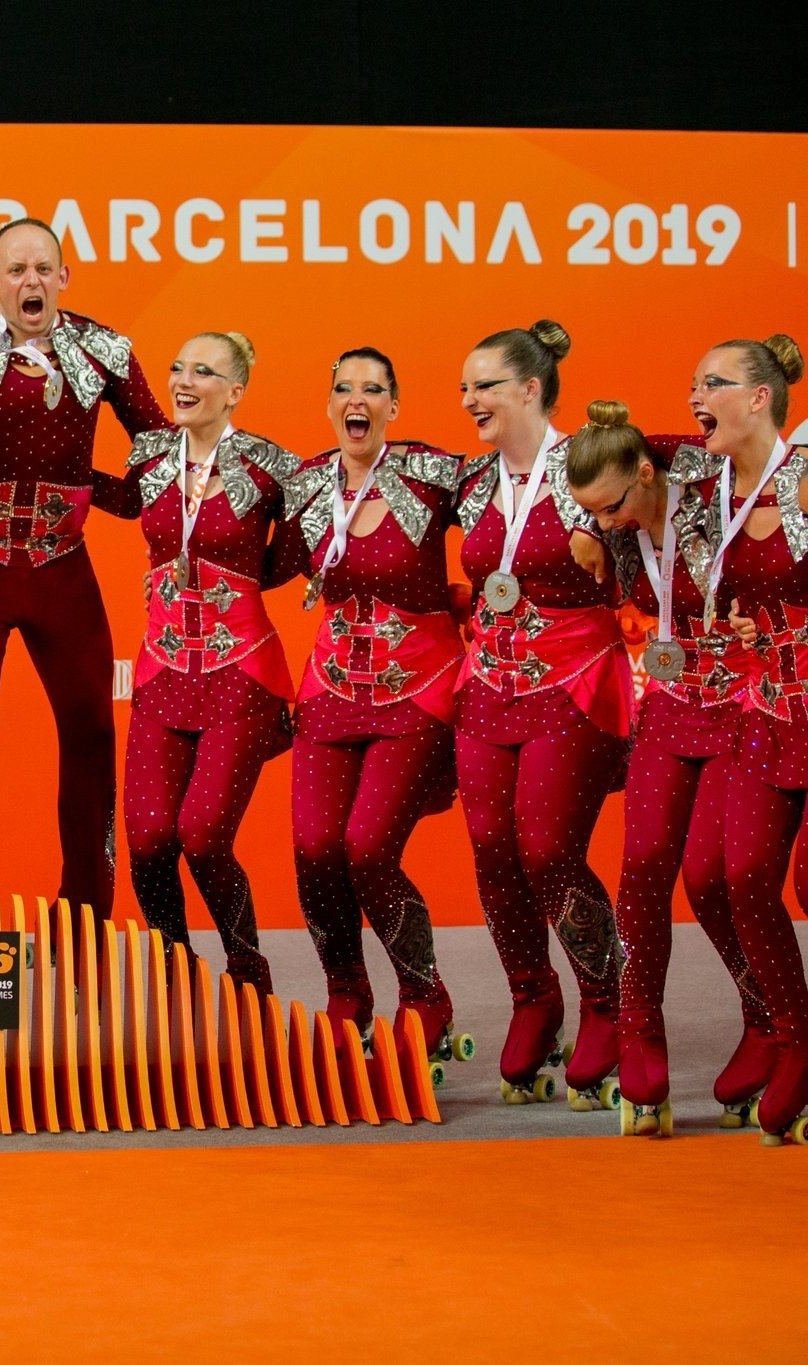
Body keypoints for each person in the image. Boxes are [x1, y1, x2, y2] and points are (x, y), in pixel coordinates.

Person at [0, 217, 167, 926]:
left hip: (62, 567)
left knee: (90, 731)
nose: (32, 281)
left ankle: (84, 915)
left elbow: (162, 458)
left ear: (64, 277)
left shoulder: (105, 350)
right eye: (16, 269)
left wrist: (92, 491)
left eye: (44, 268)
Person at [567, 399, 770, 1135]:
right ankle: (638, 1030)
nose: (612, 521)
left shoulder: (705, 482)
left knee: (712, 876)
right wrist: (586, 523)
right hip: (670, 699)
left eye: (616, 505)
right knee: (644, 862)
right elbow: (581, 487)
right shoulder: (613, 514)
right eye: (598, 512)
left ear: (649, 473)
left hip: (741, 699)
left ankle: (767, 1019)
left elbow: (728, 452)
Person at [453, 321, 629, 1108]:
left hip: (572, 679)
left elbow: (652, 540)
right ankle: (534, 997)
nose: (469, 399)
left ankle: (608, 1001)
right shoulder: (469, 480)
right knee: (492, 847)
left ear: (531, 388)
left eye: (485, 384)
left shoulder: (590, 462)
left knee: (548, 844)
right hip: (487, 684)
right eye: (464, 387)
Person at [281, 348, 464, 1062]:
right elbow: (263, 554)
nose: (356, 400)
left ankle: (425, 995)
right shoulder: (304, 485)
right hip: (331, 688)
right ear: (329, 404)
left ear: (395, 404)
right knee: (314, 849)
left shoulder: (429, 474)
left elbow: (514, 505)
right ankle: (346, 996)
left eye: (373, 389)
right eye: (343, 389)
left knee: (367, 848)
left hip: (416, 687)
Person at [112, 332, 298, 991]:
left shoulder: (270, 467)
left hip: (240, 675)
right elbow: (124, 502)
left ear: (235, 391)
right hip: (162, 672)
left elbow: (308, 540)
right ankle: (174, 967)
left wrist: (240, 582)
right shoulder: (152, 457)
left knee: (204, 834)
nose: (184, 380)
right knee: (148, 839)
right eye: (177, 365)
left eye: (204, 371)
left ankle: (248, 968)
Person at [703, 334, 808, 1145]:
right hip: (762, 707)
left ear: (761, 397)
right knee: (741, 876)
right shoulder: (714, 490)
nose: (697, 396)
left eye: (714, 383)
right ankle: (794, 1036)